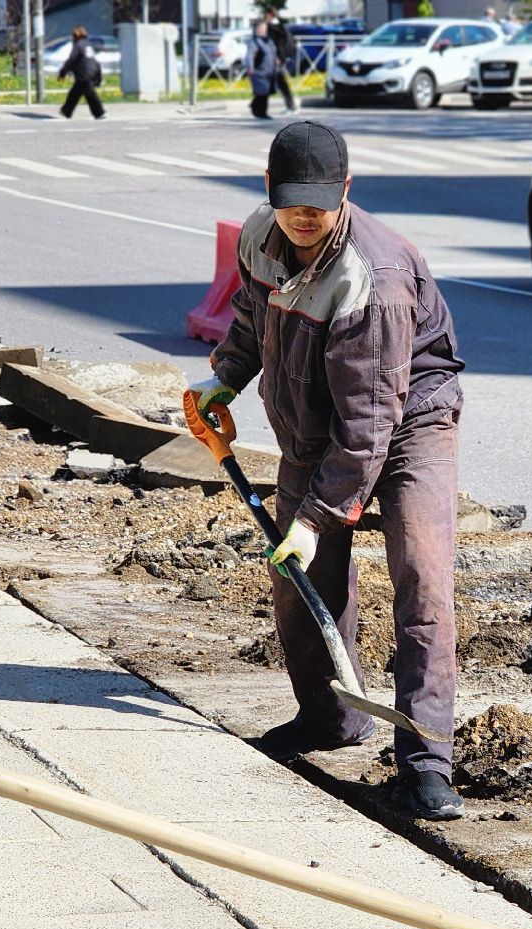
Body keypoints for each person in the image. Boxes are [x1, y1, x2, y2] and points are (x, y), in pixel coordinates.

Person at [189, 121, 468, 821]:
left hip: (409, 424)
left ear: (346, 191)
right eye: (292, 201)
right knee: (298, 581)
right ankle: (330, 720)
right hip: (317, 423)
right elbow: (254, 312)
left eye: (321, 200)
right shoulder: (263, 235)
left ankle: (427, 763)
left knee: (422, 581)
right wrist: (224, 377)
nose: (305, 215)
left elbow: (371, 423)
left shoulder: (373, 279)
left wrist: (317, 518)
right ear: (269, 192)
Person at [58, 26, 105, 120]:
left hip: (84, 73)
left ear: (76, 36)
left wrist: (63, 72)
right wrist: (98, 76)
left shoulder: (78, 45)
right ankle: (66, 111)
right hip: (92, 71)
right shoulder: (88, 44)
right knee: (75, 93)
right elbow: (94, 61)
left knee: (90, 94)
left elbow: (71, 60)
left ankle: (99, 112)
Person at [246, 18, 280, 120]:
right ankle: (261, 112)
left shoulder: (268, 40)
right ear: (256, 29)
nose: (264, 30)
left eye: (265, 28)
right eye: (261, 28)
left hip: (269, 70)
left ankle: (255, 106)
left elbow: (272, 51)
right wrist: (250, 67)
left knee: (265, 92)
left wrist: (276, 60)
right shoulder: (255, 41)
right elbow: (250, 55)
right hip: (259, 71)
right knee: (263, 92)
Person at [268, 15, 299, 115]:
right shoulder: (282, 30)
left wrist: (278, 58)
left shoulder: (275, 31)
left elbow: (279, 46)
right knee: (282, 83)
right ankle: (290, 105)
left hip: (279, 60)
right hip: (281, 59)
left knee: (282, 83)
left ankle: (291, 106)